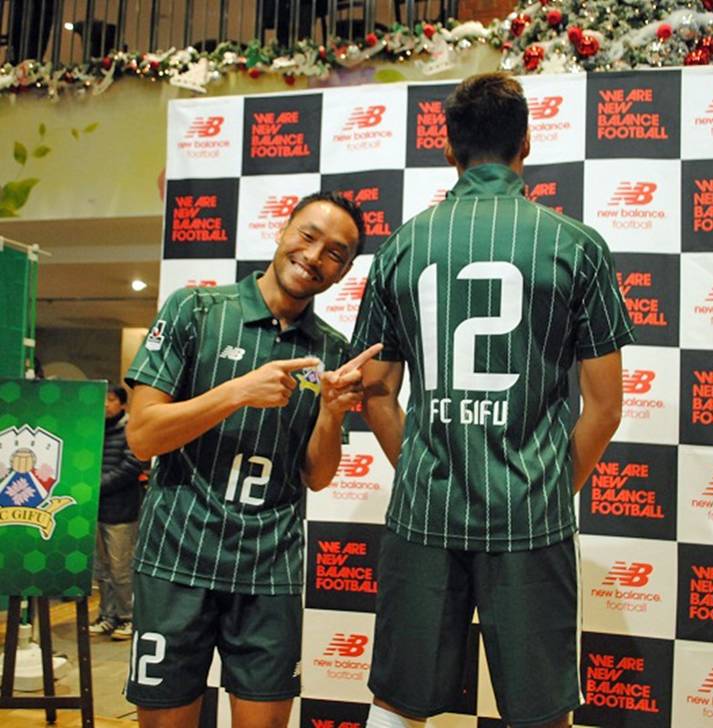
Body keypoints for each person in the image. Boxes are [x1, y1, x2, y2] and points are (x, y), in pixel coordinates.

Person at [351, 73, 635, 728]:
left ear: (448, 148)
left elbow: (376, 394)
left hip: (424, 513)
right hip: (531, 516)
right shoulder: (576, 245)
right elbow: (606, 407)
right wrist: (547, 488)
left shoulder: (401, 246)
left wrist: (423, 472)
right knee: (541, 711)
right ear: (526, 142)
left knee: (397, 702)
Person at [123, 191, 381, 728]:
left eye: (335, 253)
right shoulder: (195, 310)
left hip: (270, 568)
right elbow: (143, 437)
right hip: (176, 559)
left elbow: (318, 476)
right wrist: (237, 392)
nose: (314, 256)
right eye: (308, 236)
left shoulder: (331, 351)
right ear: (283, 231)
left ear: (343, 273)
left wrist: (331, 414)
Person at [90, 385, 145, 640]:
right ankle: (107, 616)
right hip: (97, 509)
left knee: (121, 568)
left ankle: (128, 617)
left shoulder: (130, 428)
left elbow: (133, 465)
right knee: (101, 570)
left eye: (110, 399)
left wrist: (98, 485)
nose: (105, 404)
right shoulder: (95, 429)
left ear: (122, 404)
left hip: (121, 510)